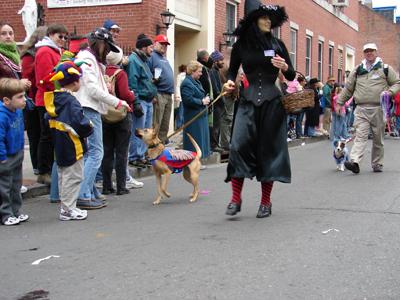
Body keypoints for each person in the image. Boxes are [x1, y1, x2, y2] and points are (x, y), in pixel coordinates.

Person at [224, 1, 295, 218]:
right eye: (263, 17)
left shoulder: (278, 44)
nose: (268, 21)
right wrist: (229, 83)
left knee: (269, 151)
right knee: (238, 147)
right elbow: (231, 72)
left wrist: (285, 68)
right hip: (247, 102)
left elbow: (292, 75)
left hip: (273, 104)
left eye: (270, 18)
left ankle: (266, 203)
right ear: (253, 21)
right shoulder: (241, 46)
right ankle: (236, 199)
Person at [74, 27, 132, 209]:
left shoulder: (90, 60)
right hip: (89, 108)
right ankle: (83, 195)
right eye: (106, 49)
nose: (107, 54)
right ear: (100, 44)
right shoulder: (87, 59)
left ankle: (90, 192)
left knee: (93, 152)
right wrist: (117, 101)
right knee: (96, 152)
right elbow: (92, 90)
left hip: (90, 108)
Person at [337, 43, 400, 173]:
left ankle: (377, 163)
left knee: (378, 138)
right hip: (361, 109)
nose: (369, 53)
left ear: (376, 52)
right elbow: (349, 88)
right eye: (366, 51)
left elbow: (396, 83)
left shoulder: (385, 68)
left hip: (378, 108)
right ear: (364, 53)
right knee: (360, 136)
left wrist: (390, 93)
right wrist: (340, 103)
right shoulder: (357, 69)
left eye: (371, 51)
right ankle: (354, 162)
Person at [43, 62, 94, 220]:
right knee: (74, 176)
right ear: (75, 82)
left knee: (64, 176)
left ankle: (66, 206)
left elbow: (47, 118)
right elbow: (80, 123)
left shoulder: (56, 99)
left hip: (60, 143)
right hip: (72, 144)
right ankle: (68, 209)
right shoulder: (71, 102)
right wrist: (89, 125)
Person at [34, 22, 69, 186]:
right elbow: (46, 78)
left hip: (56, 97)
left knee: (54, 135)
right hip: (47, 98)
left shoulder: (57, 51)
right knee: (47, 135)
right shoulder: (44, 51)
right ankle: (43, 170)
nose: (62, 39)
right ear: (50, 35)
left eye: (64, 37)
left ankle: (51, 170)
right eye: (59, 36)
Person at [103, 47, 136, 195]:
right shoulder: (120, 73)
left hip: (105, 114)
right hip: (122, 114)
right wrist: (132, 96)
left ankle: (107, 184)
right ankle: (121, 185)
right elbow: (125, 94)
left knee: (107, 150)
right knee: (122, 151)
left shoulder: (102, 72)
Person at [20, 26, 47, 177]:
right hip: (32, 101)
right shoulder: (29, 56)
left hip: (39, 99)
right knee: (35, 133)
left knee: (41, 133)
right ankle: (37, 164)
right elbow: (27, 79)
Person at [0, 78, 28, 225]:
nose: (24, 100)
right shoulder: (2, 115)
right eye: (19, 97)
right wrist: (2, 158)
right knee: (5, 187)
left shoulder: (18, 111)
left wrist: (21, 147)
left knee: (16, 185)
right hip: (6, 157)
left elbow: (20, 131)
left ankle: (15, 211)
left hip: (17, 153)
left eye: (24, 95)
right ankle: (5, 214)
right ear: (6, 99)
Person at [126, 33, 157, 168]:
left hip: (148, 100)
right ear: (143, 47)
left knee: (146, 130)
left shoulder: (143, 59)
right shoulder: (134, 60)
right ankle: (134, 156)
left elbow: (144, 79)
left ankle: (141, 155)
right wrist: (136, 101)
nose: (152, 49)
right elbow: (132, 82)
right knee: (138, 130)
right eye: (151, 47)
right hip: (141, 101)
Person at [180, 61, 211, 161]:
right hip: (193, 116)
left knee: (199, 139)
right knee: (194, 139)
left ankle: (197, 159)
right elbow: (188, 99)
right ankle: (192, 160)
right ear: (192, 71)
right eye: (199, 71)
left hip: (199, 115)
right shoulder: (186, 83)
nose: (201, 74)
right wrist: (201, 102)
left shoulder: (196, 81)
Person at [147, 35, 174, 143]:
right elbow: (148, 76)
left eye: (166, 44)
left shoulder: (163, 58)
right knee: (156, 123)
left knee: (165, 125)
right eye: (162, 43)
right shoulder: (152, 56)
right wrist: (152, 93)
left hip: (168, 95)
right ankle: (152, 149)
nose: (164, 46)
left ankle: (161, 146)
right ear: (155, 44)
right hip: (159, 94)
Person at [208, 50, 226, 153]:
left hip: (218, 102)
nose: (223, 62)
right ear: (215, 61)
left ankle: (215, 144)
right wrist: (221, 98)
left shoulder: (216, 71)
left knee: (217, 124)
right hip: (216, 102)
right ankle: (213, 145)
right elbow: (215, 89)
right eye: (221, 60)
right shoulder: (212, 72)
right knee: (215, 124)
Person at [175, 64, 187, 149]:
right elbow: (178, 86)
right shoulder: (180, 76)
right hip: (181, 97)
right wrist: (177, 96)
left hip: (185, 97)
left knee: (183, 113)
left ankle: (181, 126)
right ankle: (178, 127)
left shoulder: (187, 76)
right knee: (180, 113)